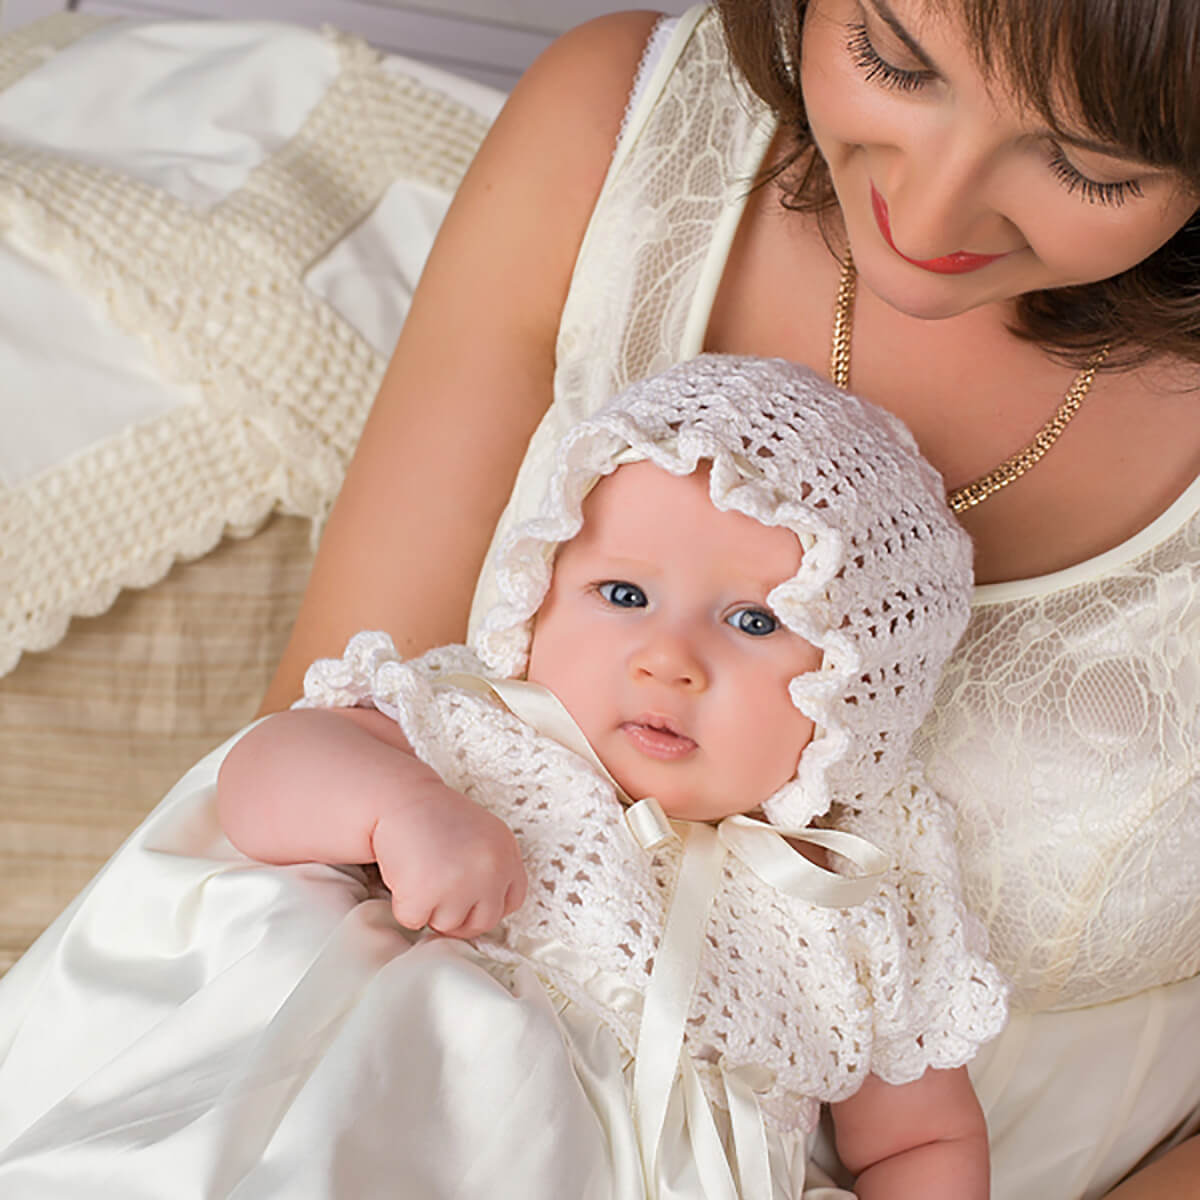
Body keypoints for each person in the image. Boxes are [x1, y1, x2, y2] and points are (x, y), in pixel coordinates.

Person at [252, 4, 1200, 1198]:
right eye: (892, 59)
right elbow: (308, 760)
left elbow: (916, 1124)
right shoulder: (620, 129)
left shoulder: (868, 919)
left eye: (1089, 164)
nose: (937, 208)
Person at [0, 356, 1005, 1198]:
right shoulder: (478, 731)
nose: (667, 658)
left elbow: (921, 1141)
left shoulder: (857, 902)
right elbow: (257, 780)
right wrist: (400, 807)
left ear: (862, 693)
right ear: (538, 592)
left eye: (753, 622)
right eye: (622, 593)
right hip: (398, 1118)